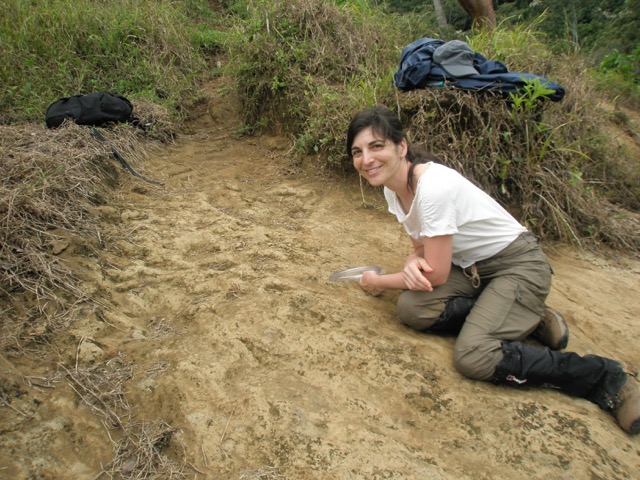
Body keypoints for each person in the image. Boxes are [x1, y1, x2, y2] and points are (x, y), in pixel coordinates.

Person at [345, 105, 640, 434]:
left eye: (376, 146)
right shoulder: (393, 189)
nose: (366, 159)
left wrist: (378, 281)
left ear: (401, 147)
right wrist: (414, 260)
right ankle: (529, 318)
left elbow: (437, 275)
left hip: (518, 264)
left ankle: (608, 378)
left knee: (473, 356)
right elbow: (421, 249)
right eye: (357, 152)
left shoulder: (433, 188)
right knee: (414, 308)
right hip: (473, 269)